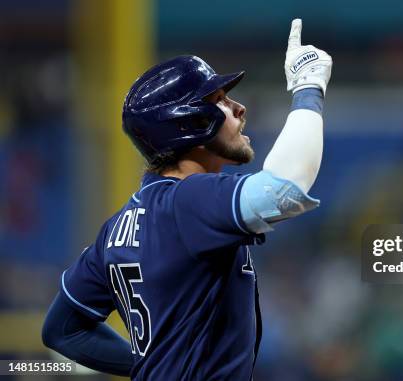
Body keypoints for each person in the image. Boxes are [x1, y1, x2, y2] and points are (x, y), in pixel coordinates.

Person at [41, 19, 332, 380]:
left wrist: (153, 367)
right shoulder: (187, 201)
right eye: (220, 101)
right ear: (187, 123)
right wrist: (309, 86)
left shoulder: (116, 228)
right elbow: (284, 188)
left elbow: (63, 329)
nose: (239, 109)